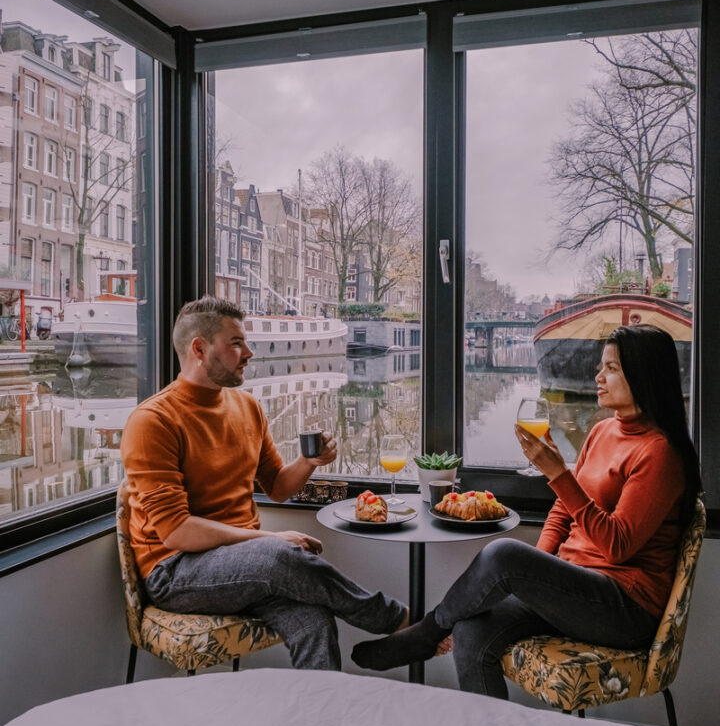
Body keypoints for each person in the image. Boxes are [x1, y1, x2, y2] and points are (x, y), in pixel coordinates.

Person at [352, 325, 701, 697]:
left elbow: (618, 546)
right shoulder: (602, 432)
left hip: (624, 608)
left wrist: (557, 474)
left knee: (504, 553)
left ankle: (426, 632)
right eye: (602, 367)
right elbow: (562, 513)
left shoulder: (659, 453)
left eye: (611, 368)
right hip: (578, 589)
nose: (598, 376)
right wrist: (535, 578)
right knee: (472, 626)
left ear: (643, 374)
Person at [121, 296, 409, 670]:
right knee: (278, 555)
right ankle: (398, 622)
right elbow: (176, 532)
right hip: (175, 572)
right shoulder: (153, 420)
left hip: (246, 566)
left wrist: (309, 462)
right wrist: (269, 540)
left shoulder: (248, 407)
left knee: (314, 620)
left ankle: (323, 721)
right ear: (199, 349)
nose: (249, 353)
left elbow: (278, 487)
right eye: (237, 343)